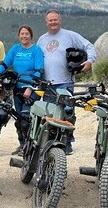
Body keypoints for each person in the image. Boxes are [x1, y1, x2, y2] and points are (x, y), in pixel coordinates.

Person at [37, 9, 96, 155]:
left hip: (65, 81)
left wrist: (90, 61)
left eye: (55, 19)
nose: (53, 22)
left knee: (67, 113)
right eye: (50, 20)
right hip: (48, 84)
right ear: (46, 22)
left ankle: (67, 142)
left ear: (60, 20)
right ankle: (51, 142)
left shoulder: (70, 35)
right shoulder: (41, 39)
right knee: (49, 114)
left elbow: (89, 46)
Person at [0, 25, 44, 156]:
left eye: (27, 34)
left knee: (26, 119)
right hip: (17, 88)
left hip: (31, 88)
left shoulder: (36, 50)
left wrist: (30, 87)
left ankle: (29, 146)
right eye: (22, 34)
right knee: (19, 120)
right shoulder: (15, 49)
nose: (24, 36)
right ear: (19, 35)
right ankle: (22, 145)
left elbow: (39, 70)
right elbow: (4, 64)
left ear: (31, 36)